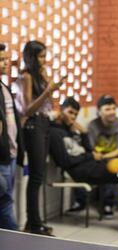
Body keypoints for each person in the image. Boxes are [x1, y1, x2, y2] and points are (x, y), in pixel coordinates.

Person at [49, 97, 118, 235]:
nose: (73, 117)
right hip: (79, 171)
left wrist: (84, 134)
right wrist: (90, 156)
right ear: (61, 111)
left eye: (75, 114)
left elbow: (89, 150)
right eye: (70, 112)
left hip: (90, 164)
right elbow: (64, 161)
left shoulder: (71, 130)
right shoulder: (55, 133)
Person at [16, 41, 65, 236]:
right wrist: (48, 90)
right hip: (33, 126)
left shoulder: (39, 75)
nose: (44, 60)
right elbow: (28, 109)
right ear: (32, 57)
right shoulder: (26, 77)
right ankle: (33, 222)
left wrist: (48, 83)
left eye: (45, 56)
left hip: (44, 124)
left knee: (39, 174)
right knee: (36, 175)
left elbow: (50, 103)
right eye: (41, 56)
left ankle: (35, 221)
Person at [0, 43, 24, 231]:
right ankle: (15, 238)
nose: (5, 63)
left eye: (6, 59)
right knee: (5, 201)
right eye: (1, 59)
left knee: (7, 199)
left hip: (11, 153)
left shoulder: (4, 87)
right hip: (2, 156)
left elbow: (13, 121)